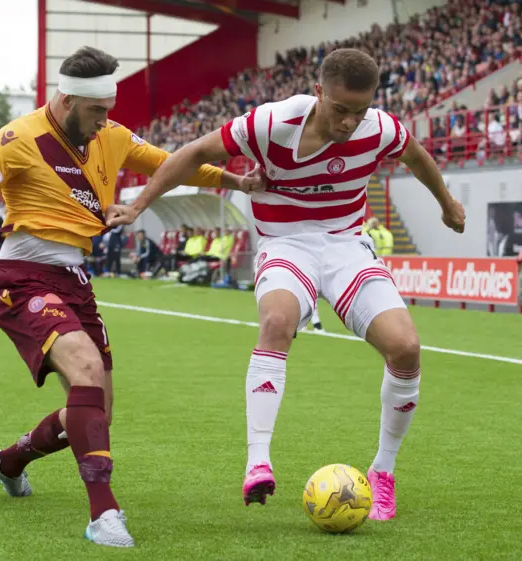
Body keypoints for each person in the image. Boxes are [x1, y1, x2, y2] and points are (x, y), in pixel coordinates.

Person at [105, 48, 466, 521]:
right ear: (318, 93)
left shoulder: (380, 128)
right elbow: (193, 153)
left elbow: (416, 156)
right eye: (340, 110)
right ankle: (258, 461)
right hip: (284, 243)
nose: (350, 122)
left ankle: (383, 472)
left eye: (359, 111)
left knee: (406, 348)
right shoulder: (271, 124)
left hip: (344, 246)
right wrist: (138, 206)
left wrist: (446, 202)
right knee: (277, 320)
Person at [0, 46, 263, 548]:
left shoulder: (111, 135)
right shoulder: (15, 140)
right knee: (84, 368)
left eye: (109, 108)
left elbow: (173, 164)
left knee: (93, 414)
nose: (107, 120)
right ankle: (103, 514)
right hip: (21, 278)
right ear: (66, 100)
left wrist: (233, 179)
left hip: (74, 280)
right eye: (97, 110)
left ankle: (9, 461)